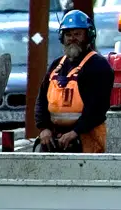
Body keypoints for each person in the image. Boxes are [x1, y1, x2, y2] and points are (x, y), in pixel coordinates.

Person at [34, 10, 115, 153]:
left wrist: (75, 132)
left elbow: (96, 109)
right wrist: (44, 128)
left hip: (87, 138)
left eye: (77, 34)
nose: (72, 39)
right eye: (68, 34)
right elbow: (41, 101)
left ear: (88, 36)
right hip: (55, 138)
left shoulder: (98, 66)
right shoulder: (56, 66)